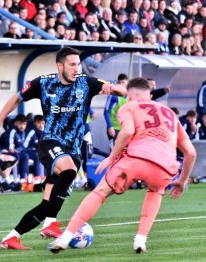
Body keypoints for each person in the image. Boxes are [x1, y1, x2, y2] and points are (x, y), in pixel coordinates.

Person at [0, 46, 126, 250]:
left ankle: (11, 238)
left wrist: (112, 89)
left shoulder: (87, 82)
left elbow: (122, 90)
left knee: (46, 204)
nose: (77, 68)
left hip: (73, 150)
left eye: (78, 64)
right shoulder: (43, 83)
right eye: (72, 64)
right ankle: (50, 224)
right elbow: (16, 98)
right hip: (51, 142)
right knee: (69, 171)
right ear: (60, 66)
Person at [48, 77, 196, 254]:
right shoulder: (170, 113)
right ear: (149, 94)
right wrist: (181, 180)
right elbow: (191, 153)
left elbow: (127, 131)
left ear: (130, 94)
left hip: (135, 158)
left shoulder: (129, 106)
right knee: (155, 191)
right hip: (164, 166)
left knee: (100, 192)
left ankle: (66, 236)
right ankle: (140, 240)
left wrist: (111, 158)